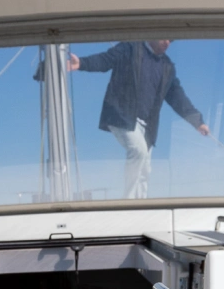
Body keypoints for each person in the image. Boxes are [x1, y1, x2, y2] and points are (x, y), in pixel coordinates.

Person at [67, 39, 209, 200]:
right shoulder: (131, 48)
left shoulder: (167, 66)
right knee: (138, 151)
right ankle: (128, 202)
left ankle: (141, 204)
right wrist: (81, 63)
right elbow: (106, 60)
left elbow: (177, 96)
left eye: (170, 40)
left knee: (145, 169)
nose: (167, 42)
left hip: (147, 126)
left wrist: (197, 122)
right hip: (123, 115)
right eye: (163, 37)